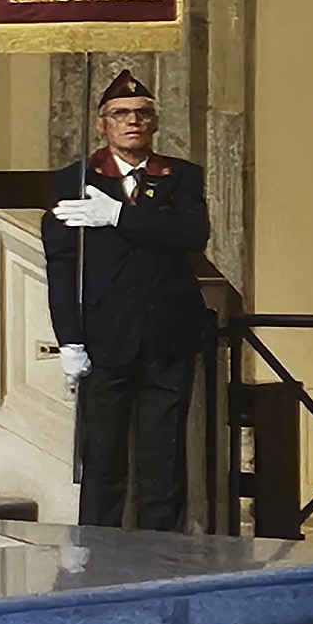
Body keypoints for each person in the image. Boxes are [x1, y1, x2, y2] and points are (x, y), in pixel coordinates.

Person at [46, 69, 212, 531]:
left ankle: (162, 559)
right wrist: (69, 341)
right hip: (105, 337)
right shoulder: (75, 179)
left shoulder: (179, 176)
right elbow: (61, 265)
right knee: (103, 463)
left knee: (164, 463)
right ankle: (97, 561)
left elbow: (190, 234)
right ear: (103, 125)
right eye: (120, 114)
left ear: (154, 122)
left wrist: (119, 214)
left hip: (168, 336)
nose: (131, 121)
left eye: (141, 114)